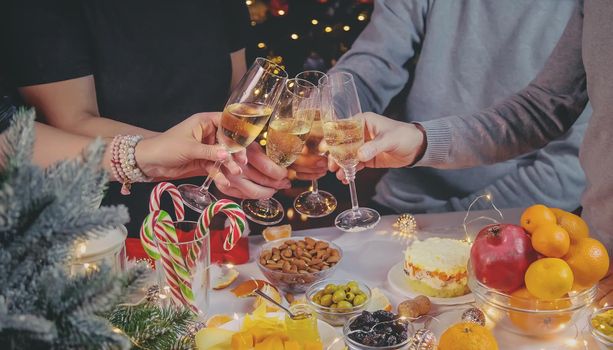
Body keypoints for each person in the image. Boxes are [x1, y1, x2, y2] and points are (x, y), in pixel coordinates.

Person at [332, 1, 612, 253]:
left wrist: (456, 220)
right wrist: (418, 140)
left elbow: (565, 164)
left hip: (515, 226)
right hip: (404, 208)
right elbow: (542, 109)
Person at [1, 0, 289, 233]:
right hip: (113, 215)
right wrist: (180, 154)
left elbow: (237, 100)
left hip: (217, 202)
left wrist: (228, 157)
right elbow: (70, 121)